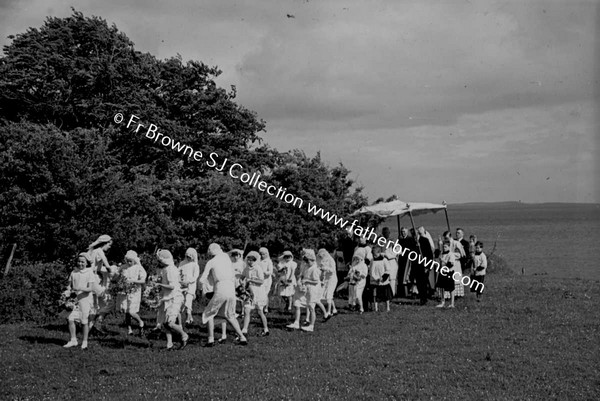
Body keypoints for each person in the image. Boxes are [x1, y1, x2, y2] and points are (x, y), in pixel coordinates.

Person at [199, 243, 248, 347]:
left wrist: (201, 288)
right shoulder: (226, 258)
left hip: (221, 287)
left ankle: (210, 339)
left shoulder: (211, 262)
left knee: (208, 313)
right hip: (231, 288)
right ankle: (242, 337)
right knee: (230, 315)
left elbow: (203, 278)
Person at [155, 249, 189, 350]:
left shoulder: (170, 270)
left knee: (170, 323)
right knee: (165, 324)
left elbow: (172, 286)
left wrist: (159, 284)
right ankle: (169, 344)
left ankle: (184, 335)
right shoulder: (166, 269)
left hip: (174, 298)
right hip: (167, 297)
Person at [63, 253, 96, 349]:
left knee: (84, 321)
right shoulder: (74, 272)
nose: (80, 263)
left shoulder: (89, 273)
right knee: (70, 319)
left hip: (85, 299)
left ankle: (85, 341)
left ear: (87, 263)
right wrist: (68, 290)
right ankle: (73, 340)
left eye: (82, 262)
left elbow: (90, 288)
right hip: (75, 299)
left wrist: (79, 288)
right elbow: (69, 284)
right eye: (79, 261)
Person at [87, 235, 116, 333]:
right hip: (95, 280)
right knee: (109, 303)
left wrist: (100, 271)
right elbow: (107, 266)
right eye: (109, 244)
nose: (110, 247)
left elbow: (93, 267)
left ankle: (90, 328)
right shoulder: (99, 251)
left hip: (90, 279)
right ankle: (98, 322)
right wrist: (113, 273)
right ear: (105, 243)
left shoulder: (93, 252)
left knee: (95, 305)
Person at [117, 250, 147, 336]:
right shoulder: (123, 267)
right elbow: (118, 277)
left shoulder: (139, 268)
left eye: (131, 261)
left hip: (135, 291)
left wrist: (133, 281)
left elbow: (142, 280)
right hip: (124, 291)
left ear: (134, 260)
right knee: (126, 310)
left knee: (131, 311)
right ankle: (129, 329)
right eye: (128, 261)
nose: (129, 263)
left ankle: (141, 322)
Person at [241, 251, 270, 336]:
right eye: (249, 260)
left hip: (258, 291)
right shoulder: (246, 268)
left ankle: (266, 329)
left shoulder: (258, 268)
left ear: (255, 261)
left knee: (260, 311)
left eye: (252, 260)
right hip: (249, 291)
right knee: (247, 310)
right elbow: (242, 277)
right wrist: (242, 282)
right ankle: (244, 329)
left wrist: (251, 280)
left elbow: (261, 281)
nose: (250, 261)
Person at [179, 248, 200, 324]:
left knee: (188, 300)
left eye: (190, 256)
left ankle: (188, 317)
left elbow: (195, 276)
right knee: (182, 301)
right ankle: (189, 317)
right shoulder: (182, 263)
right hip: (182, 284)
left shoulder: (195, 265)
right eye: (187, 256)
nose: (188, 258)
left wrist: (189, 281)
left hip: (191, 285)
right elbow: (179, 272)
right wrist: (180, 280)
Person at [368, 247, 392, 312]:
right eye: (373, 255)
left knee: (386, 295)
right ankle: (376, 308)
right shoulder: (372, 261)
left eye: (375, 255)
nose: (374, 256)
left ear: (379, 253)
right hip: (375, 281)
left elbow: (388, 269)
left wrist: (383, 278)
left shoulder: (384, 260)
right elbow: (371, 271)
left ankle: (388, 307)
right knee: (375, 295)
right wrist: (376, 278)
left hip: (383, 281)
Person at [416, 227, 435, 305]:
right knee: (418, 283)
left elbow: (429, 254)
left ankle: (424, 298)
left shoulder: (425, 240)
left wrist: (428, 266)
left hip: (424, 265)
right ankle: (421, 297)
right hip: (416, 266)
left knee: (424, 282)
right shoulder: (414, 242)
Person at [346, 248, 368, 313]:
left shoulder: (364, 265)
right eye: (356, 259)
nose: (357, 260)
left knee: (358, 295)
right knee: (352, 295)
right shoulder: (354, 265)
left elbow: (364, 274)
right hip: (353, 282)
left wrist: (359, 277)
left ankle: (361, 308)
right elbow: (350, 272)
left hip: (360, 282)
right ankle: (354, 306)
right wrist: (349, 276)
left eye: (358, 259)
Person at [317, 248, 338, 317]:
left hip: (332, 279)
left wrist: (325, 268)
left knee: (329, 294)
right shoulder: (321, 260)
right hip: (325, 279)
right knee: (325, 294)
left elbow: (333, 270)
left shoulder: (331, 260)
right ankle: (334, 309)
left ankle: (329, 312)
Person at [436, 242, 456, 308]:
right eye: (443, 247)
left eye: (446, 247)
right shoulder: (442, 254)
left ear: (449, 247)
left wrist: (443, 261)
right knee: (441, 287)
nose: (444, 248)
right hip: (442, 272)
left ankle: (452, 303)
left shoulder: (451, 254)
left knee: (451, 288)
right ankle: (442, 302)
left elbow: (451, 264)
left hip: (449, 272)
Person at [381, 227, 399, 296]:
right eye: (384, 233)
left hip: (392, 262)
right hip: (384, 263)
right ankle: (386, 294)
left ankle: (392, 294)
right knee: (385, 279)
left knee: (392, 279)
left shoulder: (393, 242)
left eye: (387, 232)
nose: (385, 234)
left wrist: (387, 254)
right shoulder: (381, 241)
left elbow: (397, 252)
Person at [258, 247, 274, 314]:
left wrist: (264, 272)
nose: (262, 256)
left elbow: (270, 271)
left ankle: (266, 308)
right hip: (260, 279)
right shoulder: (258, 261)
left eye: (264, 254)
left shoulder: (269, 261)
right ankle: (260, 307)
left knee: (265, 294)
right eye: (261, 254)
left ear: (267, 254)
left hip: (266, 280)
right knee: (260, 293)